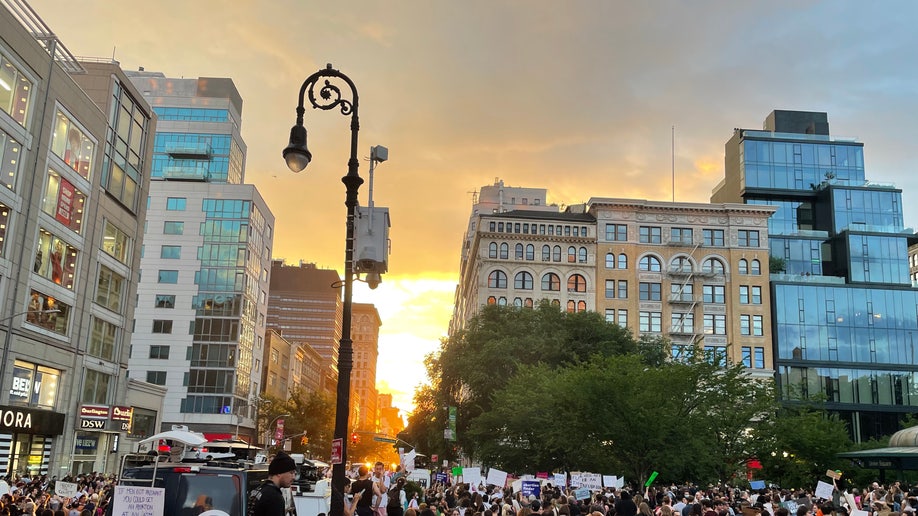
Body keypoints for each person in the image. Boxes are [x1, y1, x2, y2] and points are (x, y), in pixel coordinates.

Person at [251, 452, 297, 516]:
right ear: (279, 473)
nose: (293, 477)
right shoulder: (274, 497)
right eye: (291, 473)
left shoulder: (258, 490)